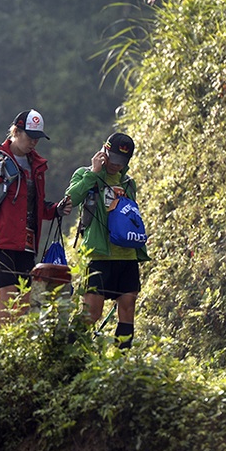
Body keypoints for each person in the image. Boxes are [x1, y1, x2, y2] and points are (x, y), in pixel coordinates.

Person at [0, 109, 71, 328]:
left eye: (37, 138)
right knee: (9, 293)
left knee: (26, 297)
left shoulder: (37, 165)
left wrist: (56, 209)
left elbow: (36, 204)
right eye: (30, 137)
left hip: (26, 241)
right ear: (16, 132)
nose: (33, 143)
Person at [65, 133, 150, 349]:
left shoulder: (129, 183)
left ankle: (121, 363)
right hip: (98, 254)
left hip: (126, 254)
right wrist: (94, 173)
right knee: (91, 312)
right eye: (112, 159)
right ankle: (69, 353)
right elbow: (71, 199)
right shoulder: (85, 174)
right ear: (104, 151)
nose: (115, 165)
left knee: (128, 306)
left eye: (121, 162)